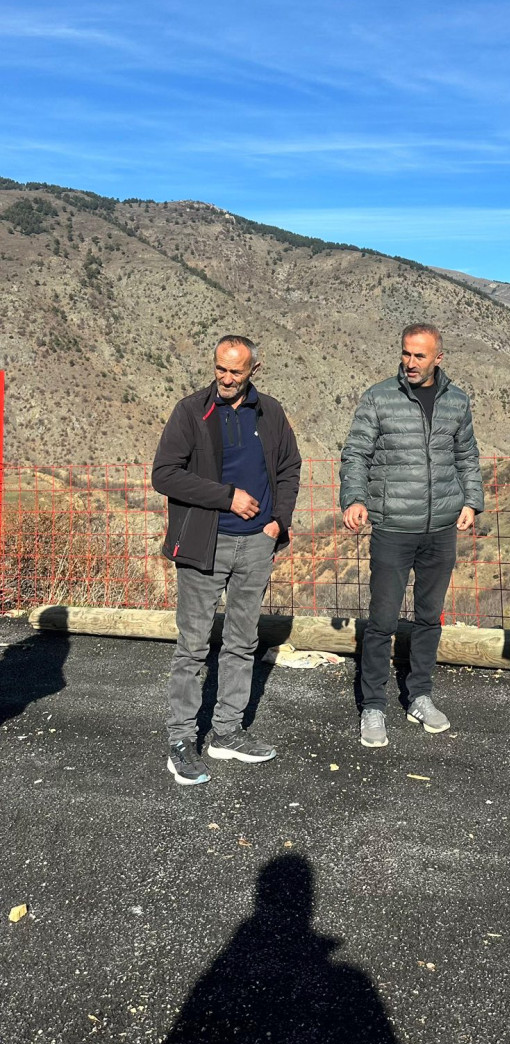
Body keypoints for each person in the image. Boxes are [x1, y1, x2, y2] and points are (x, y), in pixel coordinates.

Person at [152, 335, 301, 786]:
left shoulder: (270, 412)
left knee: (242, 641)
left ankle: (226, 732)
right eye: (221, 368)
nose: (227, 378)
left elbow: (289, 467)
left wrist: (279, 521)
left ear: (255, 369)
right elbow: (164, 474)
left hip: (256, 545)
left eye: (236, 371)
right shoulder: (191, 411)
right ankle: (181, 740)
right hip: (204, 544)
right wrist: (227, 497)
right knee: (193, 646)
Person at [340, 324, 484, 748]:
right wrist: (354, 498)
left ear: (439, 357)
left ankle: (420, 695)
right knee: (382, 621)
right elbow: (356, 452)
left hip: (441, 528)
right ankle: (373, 706)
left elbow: (467, 455)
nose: (410, 362)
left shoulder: (457, 401)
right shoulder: (379, 397)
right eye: (406, 353)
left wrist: (471, 502)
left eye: (420, 355)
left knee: (428, 617)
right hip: (392, 527)